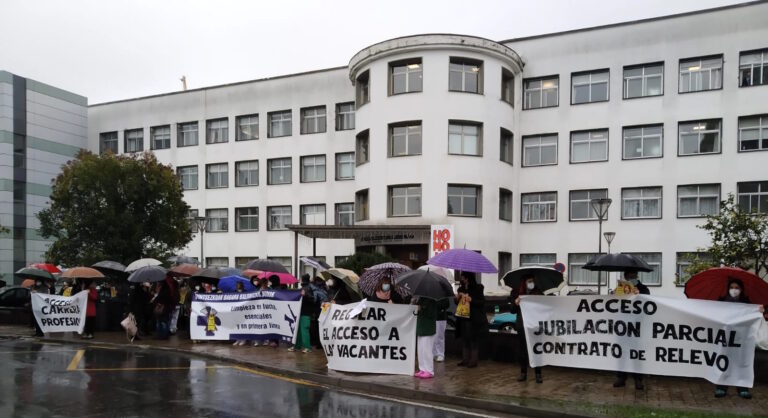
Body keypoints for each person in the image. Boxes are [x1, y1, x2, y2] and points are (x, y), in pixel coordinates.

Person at [715, 278, 763, 399]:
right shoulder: (720, 302)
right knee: (724, 361)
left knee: (742, 361)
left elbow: (754, 318)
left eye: (737, 288)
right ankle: (721, 387)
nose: (734, 290)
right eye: (732, 287)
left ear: (741, 290)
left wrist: (759, 311)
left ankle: (742, 387)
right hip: (725, 337)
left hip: (742, 338)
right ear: (728, 289)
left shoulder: (747, 304)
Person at [614, 270, 648, 390]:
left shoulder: (643, 288)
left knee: (636, 354)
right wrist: (615, 293)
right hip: (622, 327)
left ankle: (638, 379)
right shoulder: (621, 288)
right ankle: (621, 378)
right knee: (621, 353)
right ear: (625, 277)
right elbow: (615, 303)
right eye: (629, 276)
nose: (632, 277)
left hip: (636, 327)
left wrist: (639, 294)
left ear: (637, 276)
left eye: (633, 276)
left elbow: (648, 303)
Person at [514, 275, 543, 383]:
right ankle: (523, 373)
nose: (532, 283)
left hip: (534, 326)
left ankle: (538, 374)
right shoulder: (518, 293)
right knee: (523, 351)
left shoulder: (538, 292)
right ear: (524, 282)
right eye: (529, 281)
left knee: (536, 349)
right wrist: (516, 303)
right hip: (522, 325)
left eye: (533, 281)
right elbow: (512, 310)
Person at [454, 272, 487, 368]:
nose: (461, 279)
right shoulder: (461, 288)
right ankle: (465, 359)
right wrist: (457, 298)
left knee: (473, 339)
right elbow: (457, 303)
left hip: (474, 318)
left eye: (463, 278)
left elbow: (482, 302)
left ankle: (473, 361)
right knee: (465, 338)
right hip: (463, 317)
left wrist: (471, 300)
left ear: (467, 278)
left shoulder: (478, 288)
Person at [415, 296, 438, 378]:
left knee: (427, 350)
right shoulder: (421, 298)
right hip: (421, 327)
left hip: (428, 328)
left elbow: (431, 313)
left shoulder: (432, 300)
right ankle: (422, 369)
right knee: (421, 350)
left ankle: (429, 370)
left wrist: (422, 308)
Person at [290, 274, 313, 353]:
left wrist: (305, 295)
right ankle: (297, 346)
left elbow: (312, 299)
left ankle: (307, 347)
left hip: (305, 313)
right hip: (301, 312)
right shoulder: (304, 288)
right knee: (298, 330)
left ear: (302, 280)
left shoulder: (308, 288)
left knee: (304, 330)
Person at [433, 298, 449, 362]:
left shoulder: (443, 293)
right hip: (432, 317)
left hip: (441, 318)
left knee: (440, 336)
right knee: (433, 336)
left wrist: (437, 304)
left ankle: (440, 354)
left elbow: (447, 304)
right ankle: (434, 353)